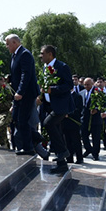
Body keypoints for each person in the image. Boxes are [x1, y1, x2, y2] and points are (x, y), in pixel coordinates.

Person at [5, 34, 43, 157]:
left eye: (8, 44)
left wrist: (20, 91)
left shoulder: (24, 54)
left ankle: (28, 147)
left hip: (26, 93)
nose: (6, 47)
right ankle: (36, 137)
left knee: (22, 120)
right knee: (16, 118)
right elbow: (17, 73)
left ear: (15, 43)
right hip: (18, 93)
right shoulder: (15, 55)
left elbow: (26, 74)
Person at [39, 45, 75, 173]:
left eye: (42, 53)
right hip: (49, 105)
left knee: (48, 123)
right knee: (57, 131)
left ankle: (63, 151)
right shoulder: (45, 68)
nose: (40, 56)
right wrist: (41, 97)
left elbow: (69, 85)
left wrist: (52, 90)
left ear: (50, 54)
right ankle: (62, 164)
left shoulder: (62, 66)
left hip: (61, 105)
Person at [80, 78, 102, 161]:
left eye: (88, 84)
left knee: (95, 137)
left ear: (92, 84)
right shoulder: (82, 93)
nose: (86, 86)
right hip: (85, 118)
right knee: (83, 135)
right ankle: (88, 149)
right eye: (85, 85)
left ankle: (95, 153)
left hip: (95, 118)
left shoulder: (98, 92)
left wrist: (97, 109)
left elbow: (102, 104)